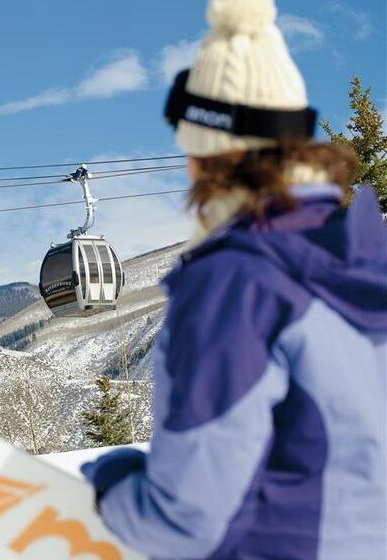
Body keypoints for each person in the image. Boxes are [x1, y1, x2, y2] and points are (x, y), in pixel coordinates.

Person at [81, 1, 387, 558]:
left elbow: (187, 521)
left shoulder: (235, 282)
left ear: (205, 151)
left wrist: (113, 484)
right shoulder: (368, 253)